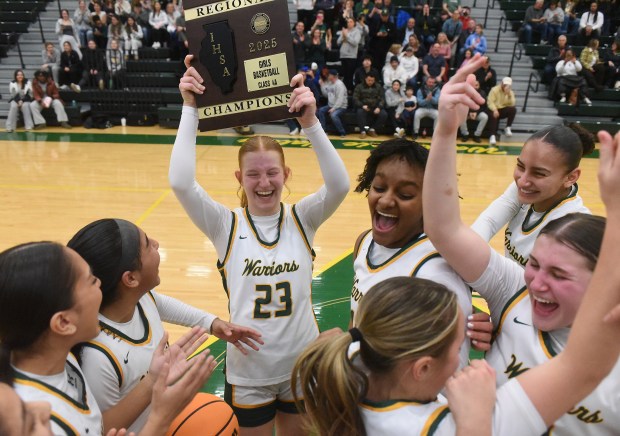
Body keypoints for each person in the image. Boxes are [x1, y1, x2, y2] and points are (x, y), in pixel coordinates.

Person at [423, 53, 620, 434]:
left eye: (558, 273)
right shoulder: (516, 287)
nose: (537, 283)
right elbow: (447, 229)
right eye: (535, 265)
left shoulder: (574, 227)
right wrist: (446, 130)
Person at [169, 55, 350, 435]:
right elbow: (182, 182)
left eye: (272, 173)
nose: (263, 182)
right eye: (253, 174)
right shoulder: (225, 224)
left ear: (285, 174)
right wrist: (190, 108)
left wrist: (311, 123)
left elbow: (339, 185)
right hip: (249, 373)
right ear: (240, 176)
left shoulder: (303, 218)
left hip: (301, 365)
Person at [0, 241, 217, 436]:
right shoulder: (34, 422)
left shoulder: (60, 358)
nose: (102, 287)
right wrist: (160, 420)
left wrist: (152, 380)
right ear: (63, 323)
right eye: (92, 281)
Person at [67, 218, 262, 433]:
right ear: (131, 279)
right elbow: (103, 426)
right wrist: (152, 382)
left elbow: (162, 304)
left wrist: (212, 323)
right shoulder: (98, 357)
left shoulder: (139, 298)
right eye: (147, 244)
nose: (157, 243)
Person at [471, 116, 593, 266]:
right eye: (520, 166)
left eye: (539, 173)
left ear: (571, 177)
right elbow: (489, 221)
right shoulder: (527, 189)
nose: (522, 181)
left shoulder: (575, 229)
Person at [353, 73, 388, 138]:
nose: (370, 82)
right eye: (369, 80)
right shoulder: (359, 86)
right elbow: (355, 98)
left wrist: (379, 107)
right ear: (365, 79)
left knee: (384, 114)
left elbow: (382, 99)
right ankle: (363, 131)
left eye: (372, 80)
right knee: (359, 112)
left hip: (375, 107)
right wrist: (362, 105)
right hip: (364, 106)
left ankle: (372, 129)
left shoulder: (378, 86)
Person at [486, 76, 516, 145]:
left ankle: (508, 127)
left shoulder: (510, 92)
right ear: (502, 83)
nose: (505, 86)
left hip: (502, 109)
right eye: (504, 84)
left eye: (507, 85)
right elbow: (490, 102)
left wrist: (509, 95)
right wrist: (494, 110)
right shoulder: (494, 90)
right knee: (493, 115)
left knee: (513, 110)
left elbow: (512, 103)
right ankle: (492, 136)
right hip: (492, 108)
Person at [318, 69, 348, 137]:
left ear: (333, 76)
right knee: (321, 111)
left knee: (333, 115)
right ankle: (323, 130)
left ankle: (342, 132)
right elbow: (326, 95)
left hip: (341, 106)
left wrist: (334, 108)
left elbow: (340, 99)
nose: (327, 76)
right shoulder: (330, 83)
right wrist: (322, 85)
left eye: (329, 75)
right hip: (331, 105)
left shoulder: (339, 84)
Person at [338, 17, 362, 91]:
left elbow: (355, 42)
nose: (349, 23)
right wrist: (343, 36)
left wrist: (347, 36)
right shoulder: (345, 31)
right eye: (348, 22)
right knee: (344, 75)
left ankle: (349, 90)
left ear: (354, 23)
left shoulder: (357, 31)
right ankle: (344, 90)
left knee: (349, 75)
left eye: (351, 22)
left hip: (351, 56)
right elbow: (338, 42)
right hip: (343, 55)